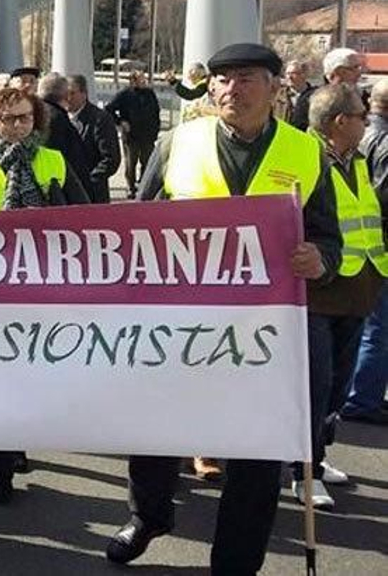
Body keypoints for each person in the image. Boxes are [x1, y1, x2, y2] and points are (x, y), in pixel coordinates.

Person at [105, 43, 338, 575]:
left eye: (247, 78)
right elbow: (136, 226)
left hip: (265, 333)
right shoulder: (178, 143)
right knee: (154, 430)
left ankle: (235, 562)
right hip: (179, 322)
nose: (233, 88)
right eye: (223, 79)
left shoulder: (307, 152)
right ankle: (148, 516)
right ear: (210, 89)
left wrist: (319, 258)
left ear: (275, 87)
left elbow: (330, 237)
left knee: (257, 455)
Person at [0, 86, 87, 504]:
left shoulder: (54, 161)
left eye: (24, 118)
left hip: (40, 286)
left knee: (29, 373)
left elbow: (88, 218)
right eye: (8, 119)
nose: (16, 127)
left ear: (37, 121)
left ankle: (17, 441)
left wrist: (56, 208)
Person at [293, 83, 382, 509]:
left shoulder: (358, 160)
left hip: (356, 292)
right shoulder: (304, 157)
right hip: (317, 296)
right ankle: (300, 471)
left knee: (336, 390)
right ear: (340, 122)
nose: (367, 122)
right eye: (362, 116)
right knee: (314, 386)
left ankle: (319, 456)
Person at [344, 79, 388, 426]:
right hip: (372, 249)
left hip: (362, 249)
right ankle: (363, 399)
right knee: (378, 329)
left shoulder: (366, 139)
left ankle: (361, 395)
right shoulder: (384, 141)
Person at [104, 71, 162, 199]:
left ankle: (143, 185)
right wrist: (120, 122)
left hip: (148, 135)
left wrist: (156, 130)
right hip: (131, 136)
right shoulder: (124, 94)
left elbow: (156, 112)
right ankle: (131, 187)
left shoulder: (150, 94)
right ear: (133, 81)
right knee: (131, 163)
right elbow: (108, 109)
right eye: (141, 79)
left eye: (144, 79)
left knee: (147, 162)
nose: (144, 81)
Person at [64, 75, 121, 203]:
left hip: (93, 195)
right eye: (65, 94)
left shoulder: (100, 119)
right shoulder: (61, 119)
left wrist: (89, 179)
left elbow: (111, 159)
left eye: (72, 93)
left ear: (84, 94)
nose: (67, 98)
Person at [289, 48, 364, 130]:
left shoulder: (363, 97)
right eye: (355, 68)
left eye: (360, 68)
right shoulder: (310, 100)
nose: (359, 73)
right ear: (337, 72)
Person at [274, 59, 311, 124]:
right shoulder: (278, 96)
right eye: (287, 73)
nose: (289, 77)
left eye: (293, 73)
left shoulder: (314, 96)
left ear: (303, 75)